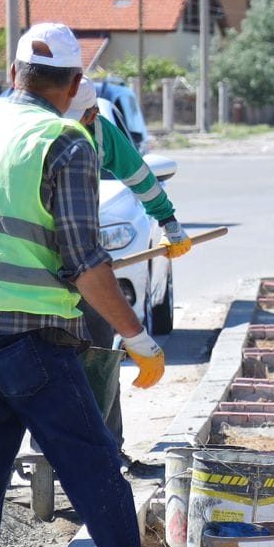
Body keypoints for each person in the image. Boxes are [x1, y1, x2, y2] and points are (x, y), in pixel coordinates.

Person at [0, 22, 208, 547]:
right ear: (75, 83)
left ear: (14, 73)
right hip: (31, 335)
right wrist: (138, 337)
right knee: (95, 464)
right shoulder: (65, 142)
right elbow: (85, 262)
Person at [64, 77, 193, 476]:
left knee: (99, 352)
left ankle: (108, 449)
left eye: (83, 119)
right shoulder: (31, 129)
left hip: (81, 259)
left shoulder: (100, 133)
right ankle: (51, 452)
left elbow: (139, 176)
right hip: (34, 265)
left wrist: (168, 222)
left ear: (91, 113)